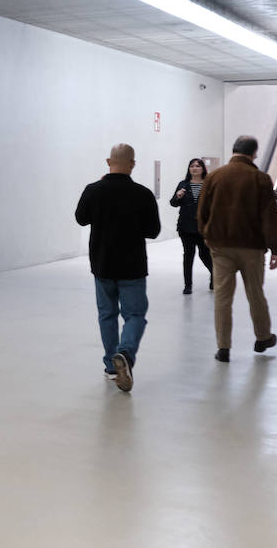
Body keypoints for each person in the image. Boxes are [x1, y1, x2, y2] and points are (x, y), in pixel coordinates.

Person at [74, 143, 162, 393]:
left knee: (107, 314)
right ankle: (124, 353)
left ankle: (111, 365)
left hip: (102, 264)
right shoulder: (143, 194)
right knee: (134, 315)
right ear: (132, 164)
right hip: (132, 265)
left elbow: (81, 218)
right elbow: (153, 231)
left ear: (107, 161)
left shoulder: (93, 190)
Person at [196, 135, 277, 363]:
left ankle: (223, 348)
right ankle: (263, 337)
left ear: (234, 150)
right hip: (252, 248)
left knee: (222, 298)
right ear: (254, 153)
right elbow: (269, 218)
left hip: (220, 246)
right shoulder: (260, 179)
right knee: (255, 293)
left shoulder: (214, 176)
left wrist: (207, 235)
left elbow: (201, 212)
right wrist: (275, 248)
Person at [169, 158, 213, 294]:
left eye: (198, 166)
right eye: (192, 166)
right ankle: (188, 285)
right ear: (189, 169)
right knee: (188, 255)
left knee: (205, 254)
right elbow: (173, 203)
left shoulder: (208, 184)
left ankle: (214, 275)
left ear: (202, 169)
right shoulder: (183, 184)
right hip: (185, 227)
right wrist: (178, 196)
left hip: (203, 227)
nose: (194, 168)